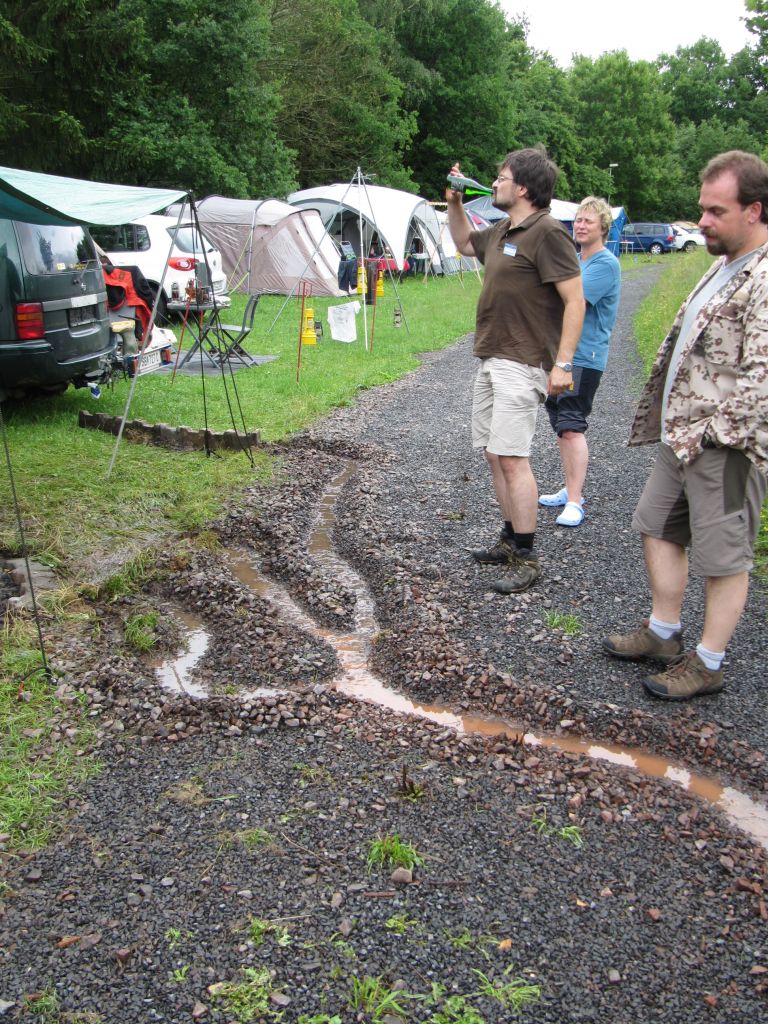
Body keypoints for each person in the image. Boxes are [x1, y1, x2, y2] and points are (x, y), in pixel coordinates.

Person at [603, 150, 768, 700]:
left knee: (724, 558)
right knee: (656, 525)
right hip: (683, 435)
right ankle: (664, 633)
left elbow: (762, 378)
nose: (703, 221)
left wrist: (713, 435)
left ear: (754, 210)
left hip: (726, 445)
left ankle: (709, 662)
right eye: (703, 209)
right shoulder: (726, 263)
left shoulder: (764, 275)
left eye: (716, 211)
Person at [446, 147, 584, 593]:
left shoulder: (548, 233)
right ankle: (509, 539)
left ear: (523, 187)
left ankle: (527, 556)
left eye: (501, 177)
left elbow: (575, 300)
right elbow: (464, 243)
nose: (494, 183)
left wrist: (563, 363)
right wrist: (454, 204)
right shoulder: (504, 229)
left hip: (523, 362)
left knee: (511, 457)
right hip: (492, 356)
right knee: (494, 454)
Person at [538, 197, 621, 526]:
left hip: (584, 357)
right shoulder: (575, 261)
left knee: (572, 425)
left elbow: (572, 301)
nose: (581, 226)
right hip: (560, 355)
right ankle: (570, 487)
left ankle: (575, 501)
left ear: (603, 227)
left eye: (589, 221)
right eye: (578, 220)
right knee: (561, 424)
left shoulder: (605, 264)